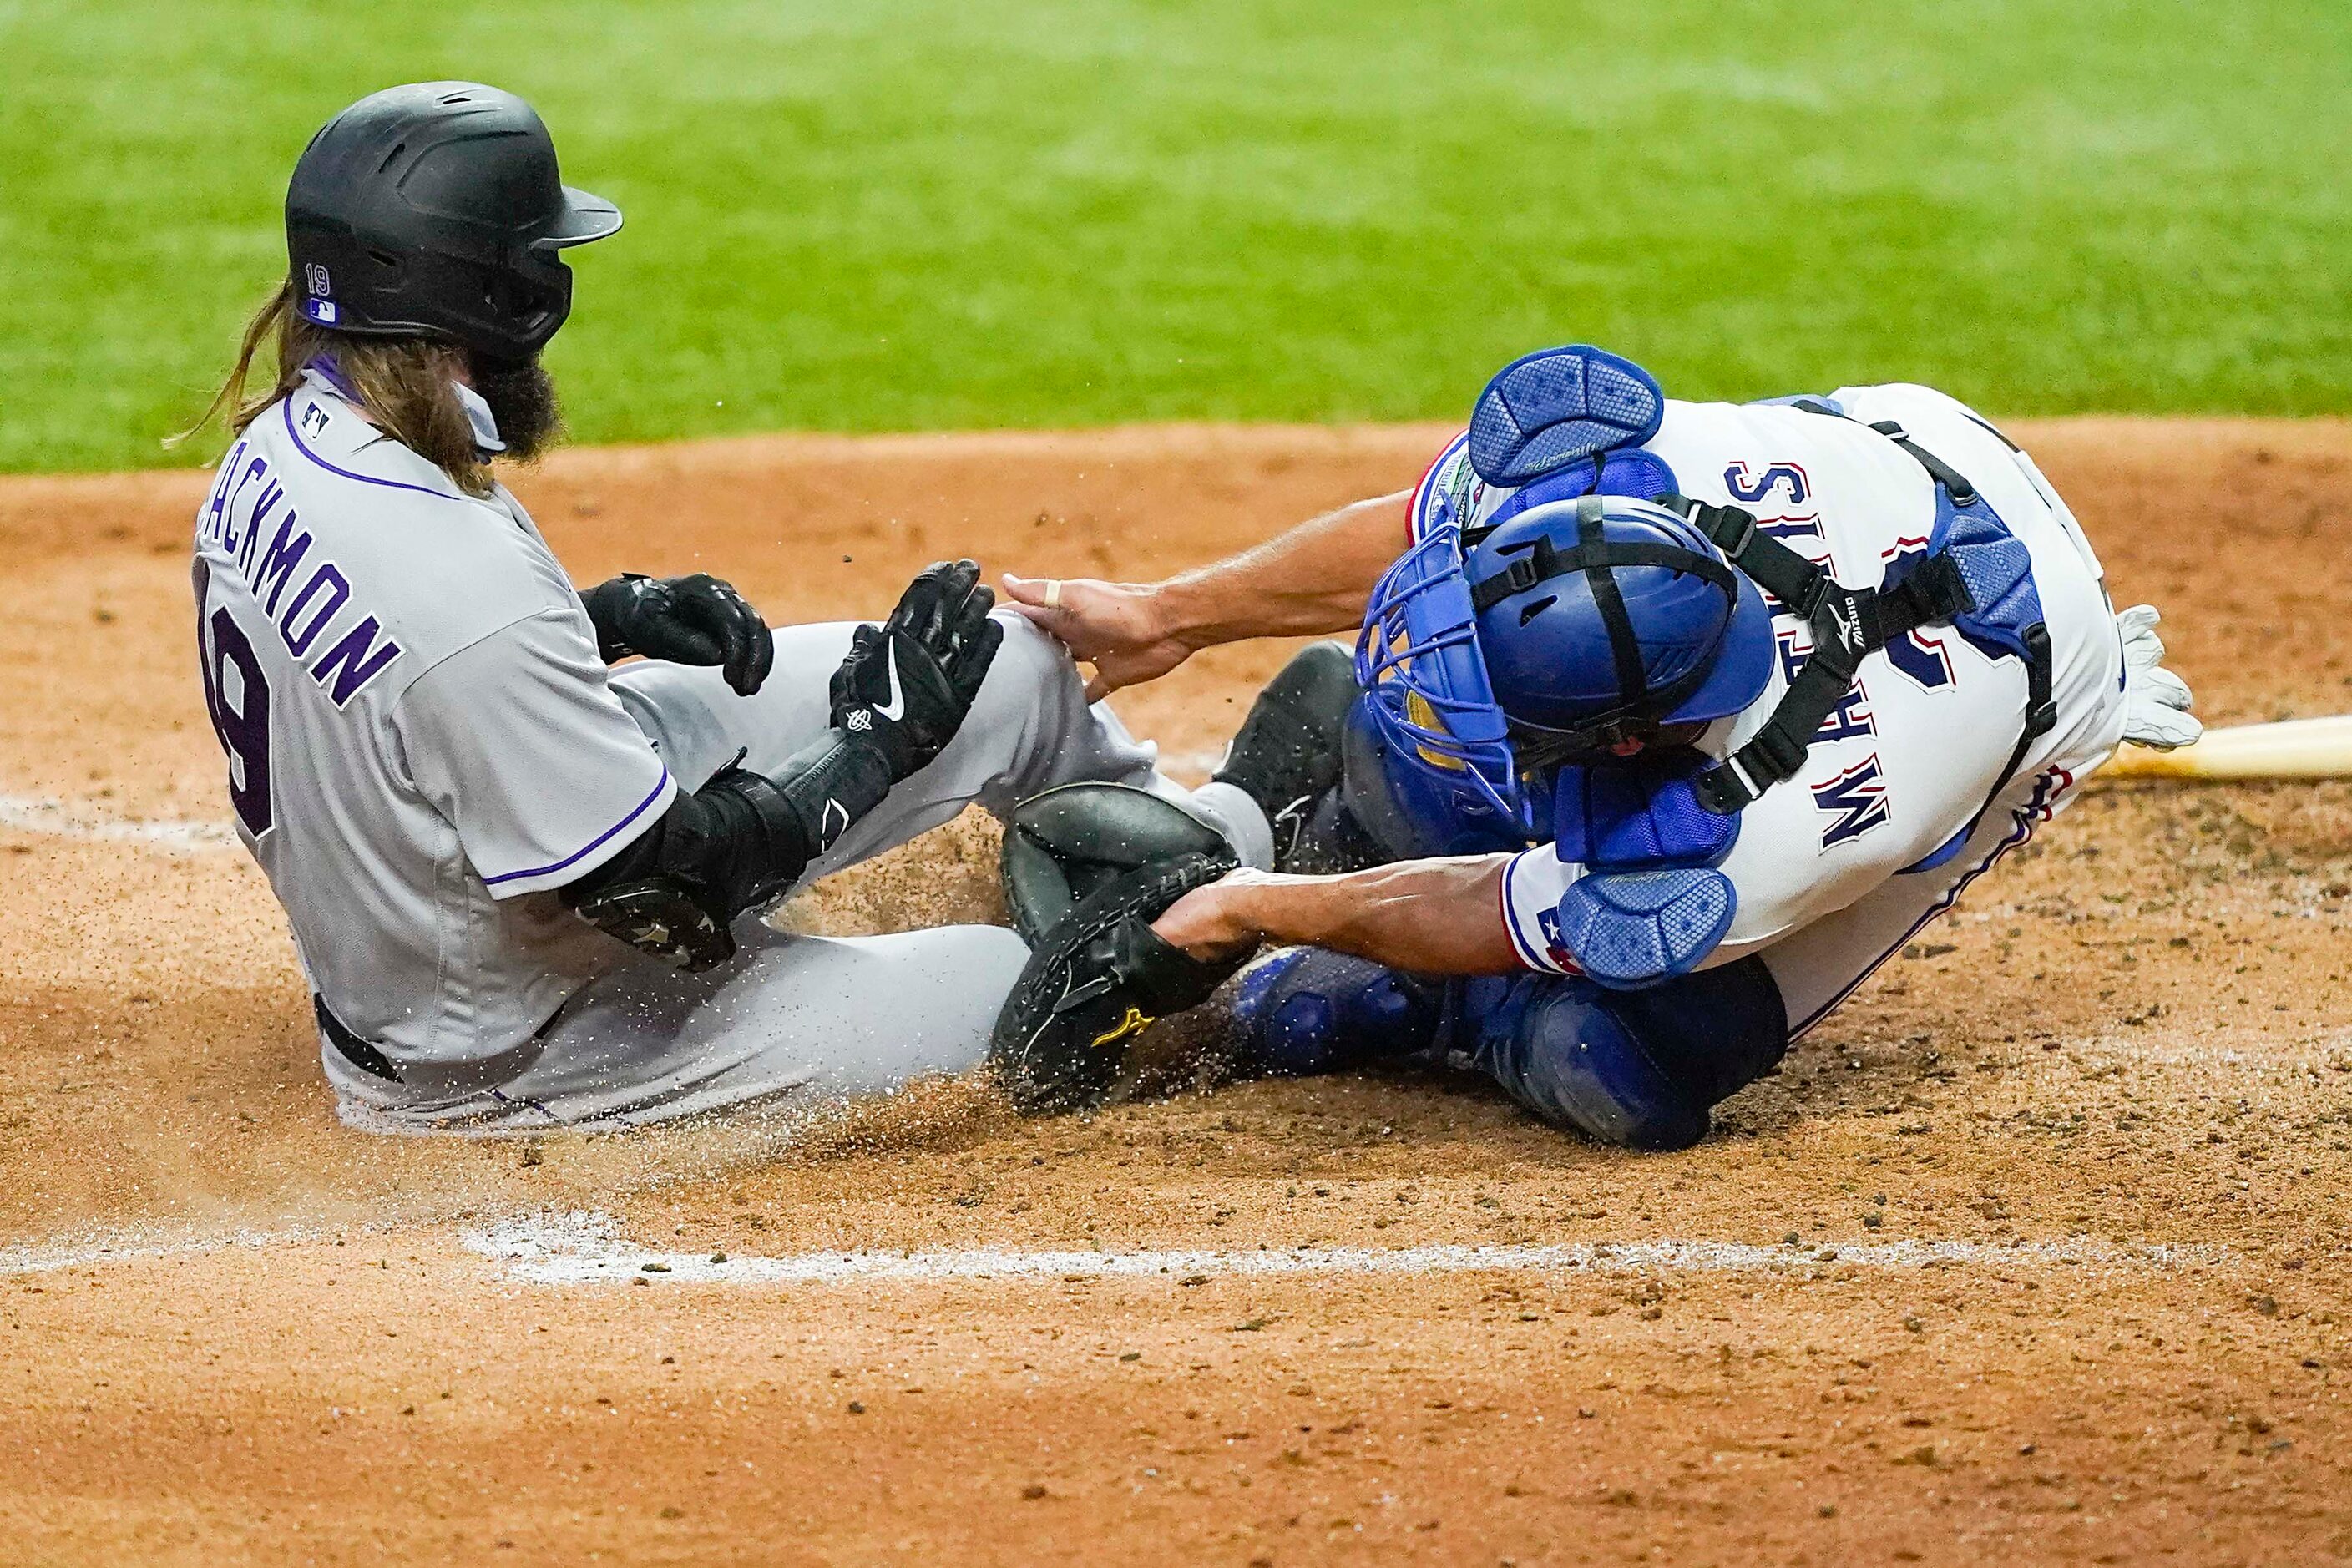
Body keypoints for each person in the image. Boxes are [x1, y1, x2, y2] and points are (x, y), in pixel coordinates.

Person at [181, 83, 1252, 1134]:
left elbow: (400, 676)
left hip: (460, 904)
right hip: (523, 1038)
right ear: (497, 296)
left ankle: (1208, 853)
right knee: (1046, 982)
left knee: (1008, 665)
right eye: (541, 256)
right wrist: (872, 748)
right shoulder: (464, 591)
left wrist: (602, 617)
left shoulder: (284, 446)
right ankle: (1263, 959)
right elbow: (668, 899)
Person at [1003, 344, 2201, 1148]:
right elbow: (1426, 531)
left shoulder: (1763, 836)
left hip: (2042, 690)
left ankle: (1437, 1012)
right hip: (1921, 459)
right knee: (1435, 751)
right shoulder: (1644, 480)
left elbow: (1512, 907)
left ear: (1641, 734)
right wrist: (1164, 614)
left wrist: (1254, 910)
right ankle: (1348, 810)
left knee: (1622, 1062)